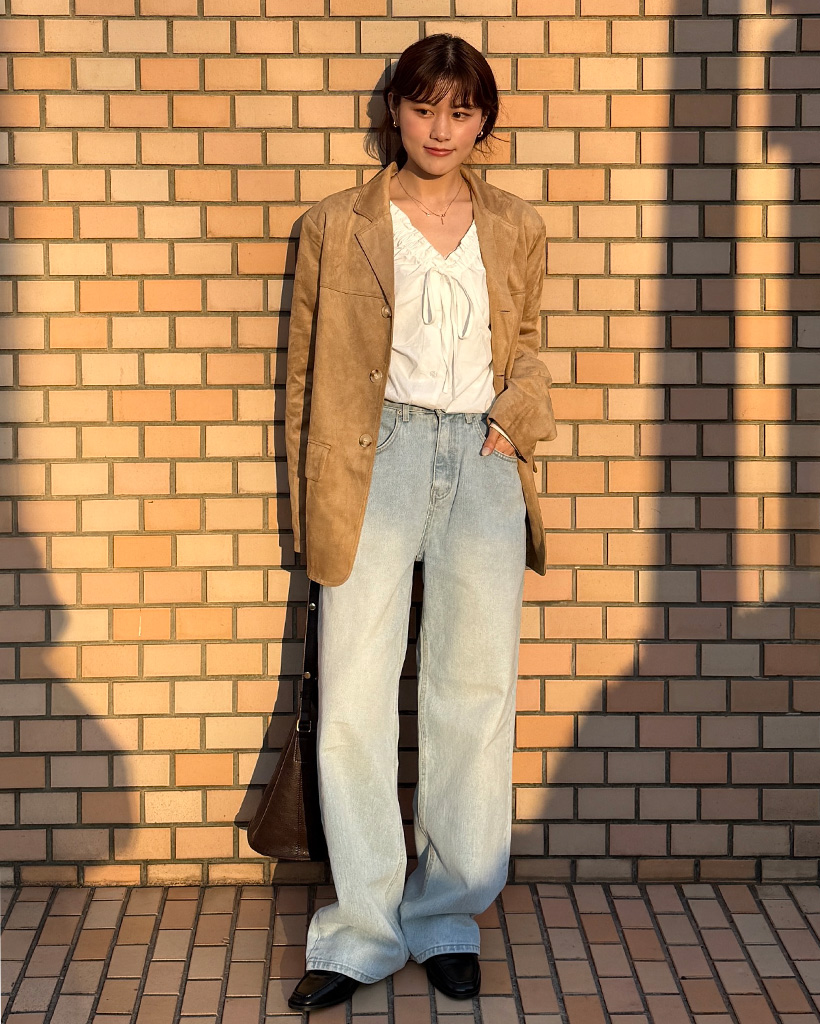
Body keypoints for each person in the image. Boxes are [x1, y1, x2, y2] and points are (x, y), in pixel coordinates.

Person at [283, 33, 557, 1012]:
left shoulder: (516, 225)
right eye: (423, 107)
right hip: (377, 458)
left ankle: (446, 917)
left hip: (482, 459)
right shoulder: (336, 224)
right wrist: (313, 501)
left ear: (484, 122)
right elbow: (304, 378)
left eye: (461, 111)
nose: (441, 129)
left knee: (473, 691)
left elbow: (528, 342)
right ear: (394, 111)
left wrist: (516, 420)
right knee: (354, 695)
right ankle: (361, 930)